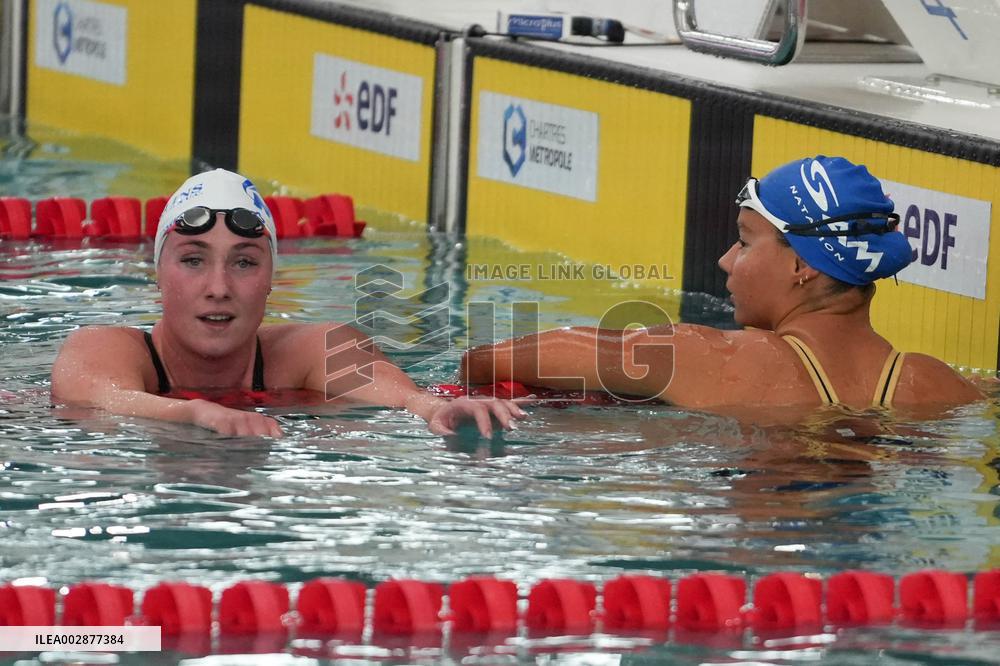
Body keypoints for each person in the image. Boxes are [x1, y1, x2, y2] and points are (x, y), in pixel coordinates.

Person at [461, 156, 984, 411]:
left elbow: (486, 362)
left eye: (745, 242)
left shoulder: (710, 358)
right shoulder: (941, 387)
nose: (726, 260)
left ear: (804, 265)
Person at [52, 168, 526, 437]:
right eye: (193, 260)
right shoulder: (103, 348)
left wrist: (433, 408)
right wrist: (194, 413)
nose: (218, 287)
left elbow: (402, 397)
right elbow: (102, 398)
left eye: (244, 262)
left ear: (270, 279)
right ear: (157, 274)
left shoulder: (314, 349)